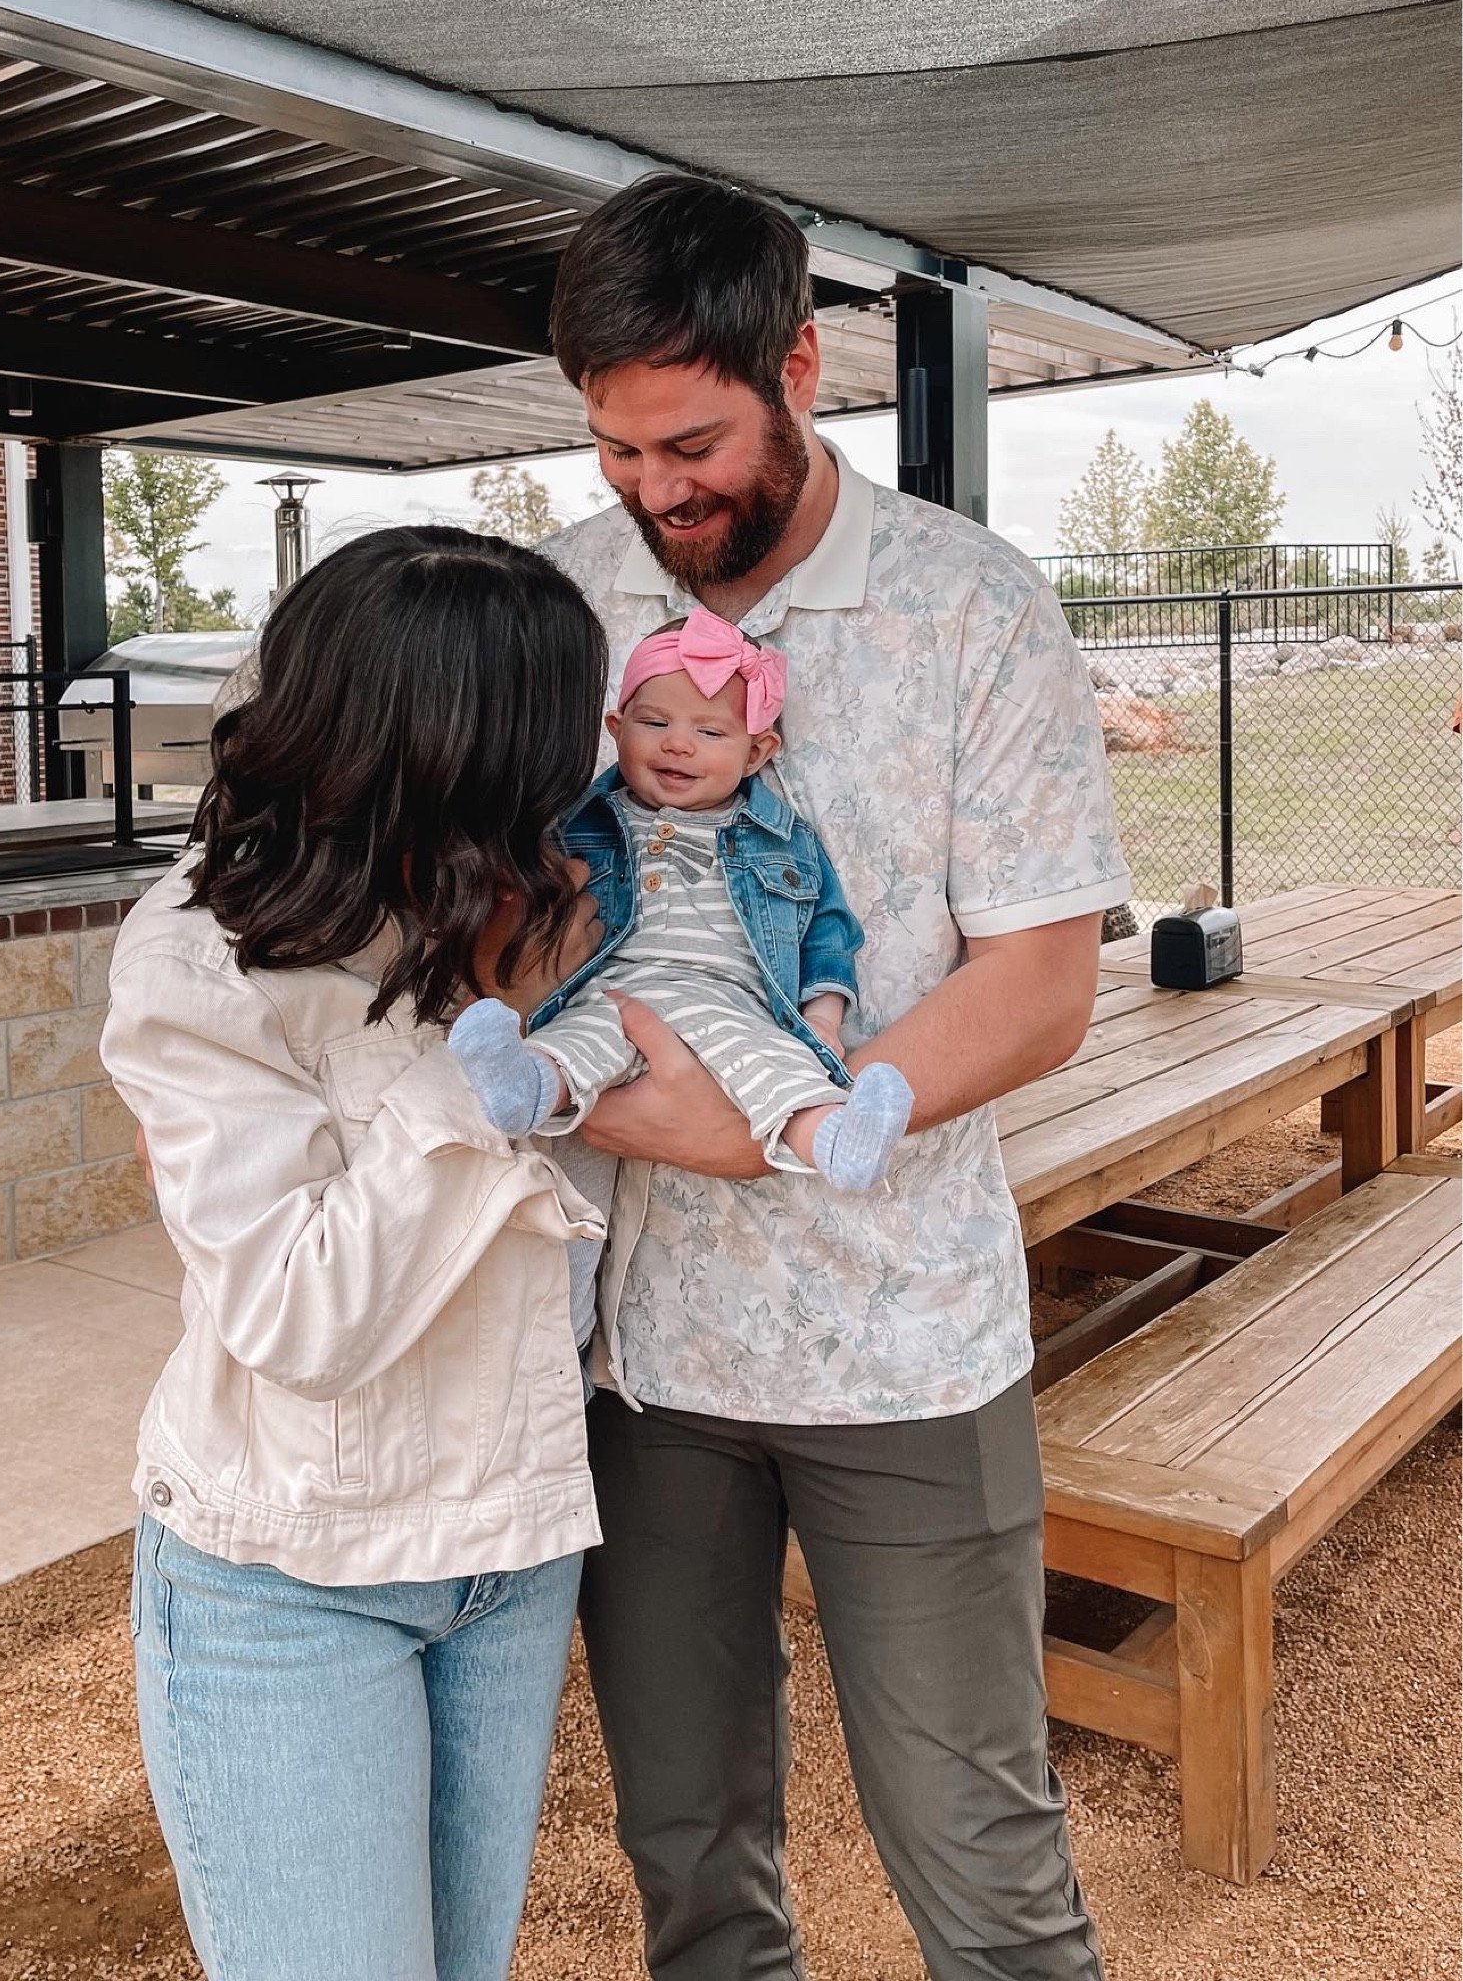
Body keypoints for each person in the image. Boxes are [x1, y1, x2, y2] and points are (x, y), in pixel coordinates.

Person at [539, 174, 1131, 1981]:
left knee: (980, 1858)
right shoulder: (559, 599)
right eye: (615, 448)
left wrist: (774, 1129)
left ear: (796, 368)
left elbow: (1037, 982)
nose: (654, 493)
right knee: (688, 1855)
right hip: (634, 1354)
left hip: (903, 1339)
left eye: (692, 444)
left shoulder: (966, 604)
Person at [99, 526, 611, 1981]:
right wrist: (484, 1055)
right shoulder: (205, 954)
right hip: (289, 1569)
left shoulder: (534, 900)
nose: (581, 773)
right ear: (451, 747)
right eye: (552, 740)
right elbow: (300, 1317)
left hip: (512, 1544)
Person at [448, 606, 914, 1190]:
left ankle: (837, 1140)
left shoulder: (783, 840)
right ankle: (523, 1086)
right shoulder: (580, 823)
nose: (677, 745)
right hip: (610, 993)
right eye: (654, 723)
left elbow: (827, 930)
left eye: (710, 732)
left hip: (731, 1005)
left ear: (756, 753)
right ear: (616, 729)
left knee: (777, 1069)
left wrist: (822, 1017)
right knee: (574, 1042)